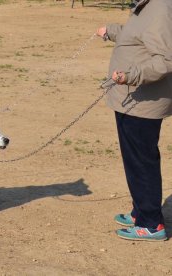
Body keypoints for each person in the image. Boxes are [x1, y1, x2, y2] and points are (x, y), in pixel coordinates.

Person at [96, 0, 172, 241]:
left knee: (141, 162)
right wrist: (111, 31)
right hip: (130, 99)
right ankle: (141, 212)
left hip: (143, 103)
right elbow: (137, 35)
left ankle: (151, 224)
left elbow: (166, 60)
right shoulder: (145, 5)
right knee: (134, 159)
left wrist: (131, 75)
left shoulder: (160, 8)